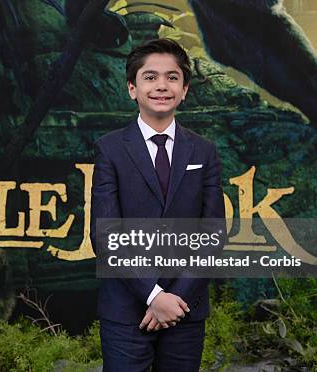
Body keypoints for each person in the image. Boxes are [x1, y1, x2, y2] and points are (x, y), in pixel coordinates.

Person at [90, 38, 225, 371]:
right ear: (132, 89)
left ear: (185, 89)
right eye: (150, 77)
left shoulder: (204, 151)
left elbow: (213, 234)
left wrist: (174, 300)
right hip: (125, 310)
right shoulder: (110, 149)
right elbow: (106, 237)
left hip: (185, 307)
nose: (161, 85)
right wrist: (153, 296)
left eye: (172, 77)